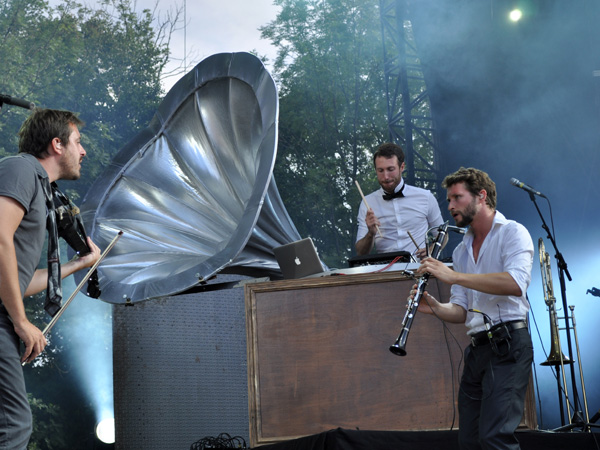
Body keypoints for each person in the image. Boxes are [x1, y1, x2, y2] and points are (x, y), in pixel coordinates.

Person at [411, 167, 534, 450]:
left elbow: (516, 283)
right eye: (449, 200)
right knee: (469, 441)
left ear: (481, 196)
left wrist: (453, 275)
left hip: (508, 345)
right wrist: (434, 306)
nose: (451, 206)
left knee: (494, 438)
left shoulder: (513, 232)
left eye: (457, 198)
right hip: (477, 350)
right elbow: (461, 311)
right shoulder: (461, 250)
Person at [0, 108, 101, 449]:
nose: (83, 151)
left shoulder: (42, 191)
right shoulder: (21, 168)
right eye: (78, 142)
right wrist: (20, 320)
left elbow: (18, 280)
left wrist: (77, 264)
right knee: (14, 424)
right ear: (57, 144)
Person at [355, 142, 443, 257]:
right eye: (380, 170)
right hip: (386, 271)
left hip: (419, 268)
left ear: (402, 167)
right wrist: (371, 234)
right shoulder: (367, 203)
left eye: (390, 169)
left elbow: (442, 234)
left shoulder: (426, 197)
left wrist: (432, 249)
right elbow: (361, 252)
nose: (386, 176)